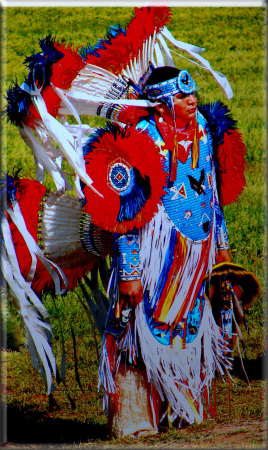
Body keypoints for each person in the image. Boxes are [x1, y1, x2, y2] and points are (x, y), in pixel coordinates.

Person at [98, 66, 241, 438]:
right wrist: (130, 272)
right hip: (154, 251)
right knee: (139, 327)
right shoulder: (141, 141)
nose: (191, 101)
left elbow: (212, 193)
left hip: (197, 249)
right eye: (181, 97)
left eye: (192, 94)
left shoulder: (204, 133)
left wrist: (222, 248)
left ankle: (182, 407)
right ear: (161, 106)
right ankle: (134, 418)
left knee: (189, 325)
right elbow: (124, 214)